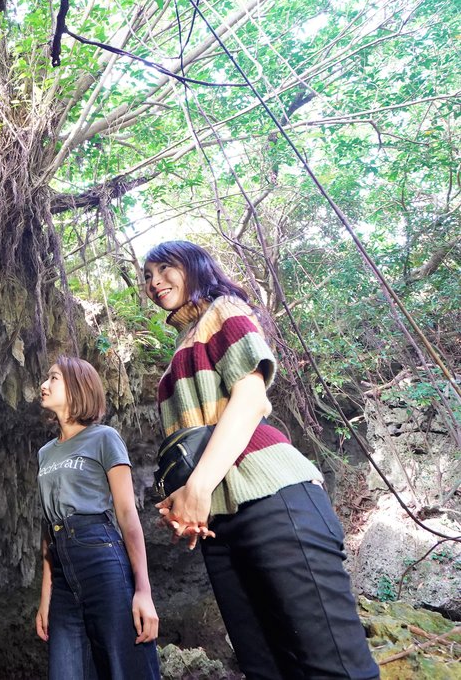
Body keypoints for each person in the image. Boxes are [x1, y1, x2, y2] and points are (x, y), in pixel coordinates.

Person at [144, 240, 379, 679]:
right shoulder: (179, 347)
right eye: (148, 276)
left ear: (193, 266)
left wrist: (197, 488)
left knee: (333, 667)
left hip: (273, 499)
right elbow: (190, 444)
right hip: (219, 524)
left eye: (164, 268)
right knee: (264, 669)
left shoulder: (225, 310)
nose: (154, 281)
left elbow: (250, 399)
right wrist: (182, 497)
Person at [35, 355, 161, 680]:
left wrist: (143, 591)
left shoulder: (104, 437)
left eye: (53, 379)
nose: (43, 385)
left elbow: (126, 513)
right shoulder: (45, 453)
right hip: (63, 571)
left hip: (101, 555)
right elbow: (47, 531)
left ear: (78, 387)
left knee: (126, 668)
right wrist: (45, 599)